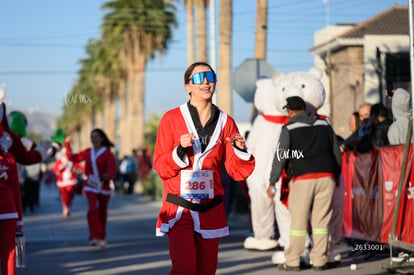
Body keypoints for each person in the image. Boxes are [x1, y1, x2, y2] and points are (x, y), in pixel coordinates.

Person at [153, 61, 255, 275]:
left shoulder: (227, 122)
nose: (206, 82)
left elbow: (236, 171)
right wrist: (179, 151)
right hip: (180, 209)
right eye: (199, 78)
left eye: (210, 77)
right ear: (187, 86)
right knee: (185, 269)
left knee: (206, 271)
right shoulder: (171, 119)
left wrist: (241, 151)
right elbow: (160, 166)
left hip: (211, 209)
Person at [268, 96, 341, 271]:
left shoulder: (289, 127)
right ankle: (320, 260)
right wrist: (336, 175)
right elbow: (336, 152)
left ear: (290, 111)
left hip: (302, 180)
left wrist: (272, 181)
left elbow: (281, 157)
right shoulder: (324, 124)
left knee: (298, 223)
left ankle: (293, 261)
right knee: (321, 222)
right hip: (326, 177)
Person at [64, 128, 117, 248]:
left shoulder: (108, 154)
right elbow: (72, 157)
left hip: (104, 186)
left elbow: (112, 170)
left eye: (96, 136)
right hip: (90, 186)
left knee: (102, 212)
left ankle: (102, 237)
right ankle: (94, 236)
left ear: (102, 138)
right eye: (92, 137)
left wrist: (107, 176)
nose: (94, 139)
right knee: (93, 210)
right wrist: (67, 144)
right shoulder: (88, 152)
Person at [0, 123, 24, 275]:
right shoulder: (9, 159)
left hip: (9, 212)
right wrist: (20, 220)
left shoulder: (9, 158)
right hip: (9, 212)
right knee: (9, 253)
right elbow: (16, 191)